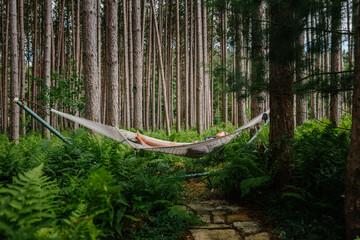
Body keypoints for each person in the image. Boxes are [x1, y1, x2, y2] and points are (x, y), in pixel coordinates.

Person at [135, 131, 228, 147]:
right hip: (195, 146)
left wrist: (198, 143)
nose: (219, 132)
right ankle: (145, 142)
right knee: (172, 143)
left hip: (195, 148)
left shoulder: (218, 141)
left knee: (172, 144)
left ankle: (145, 141)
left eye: (221, 132)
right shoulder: (214, 138)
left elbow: (206, 146)